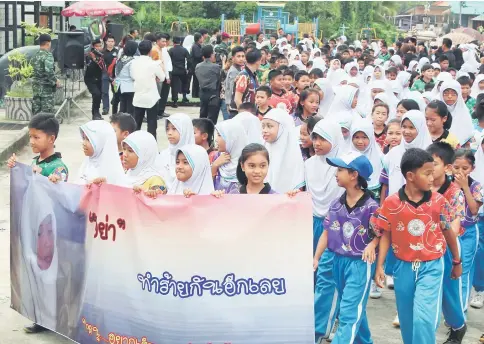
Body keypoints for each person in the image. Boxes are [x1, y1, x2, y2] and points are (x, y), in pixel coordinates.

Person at [373, 148, 462, 344]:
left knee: (423, 320)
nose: (432, 178)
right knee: (407, 321)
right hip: (402, 266)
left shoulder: (439, 202)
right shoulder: (391, 203)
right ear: (410, 176)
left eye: (433, 172)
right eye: (427, 173)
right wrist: (380, 265)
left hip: (431, 266)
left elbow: (448, 232)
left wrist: (456, 261)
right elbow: (386, 233)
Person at [314, 151, 379, 344]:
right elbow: (326, 232)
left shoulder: (371, 207)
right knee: (350, 304)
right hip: (336, 260)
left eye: (340, 170)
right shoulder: (336, 204)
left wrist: (373, 245)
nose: (336, 173)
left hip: (359, 263)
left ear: (354, 175)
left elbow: (381, 234)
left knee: (349, 313)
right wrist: (316, 257)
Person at [425, 142, 468, 343]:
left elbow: (455, 226)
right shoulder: (420, 185)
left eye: (434, 163)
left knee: (449, 295)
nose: (429, 168)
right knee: (427, 293)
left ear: (448, 167)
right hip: (423, 246)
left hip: (448, 246)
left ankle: (458, 326)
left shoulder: (454, 192)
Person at [309, 119, 346, 341]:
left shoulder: (343, 165)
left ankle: (319, 330)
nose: (317, 143)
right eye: (315, 137)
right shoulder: (309, 164)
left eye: (323, 138)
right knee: (311, 276)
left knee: (327, 279)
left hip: (336, 225)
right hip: (310, 222)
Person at [453, 149, 484, 313]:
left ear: (472, 168)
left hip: (469, 233)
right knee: (449, 269)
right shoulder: (445, 184)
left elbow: (473, 210)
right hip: (449, 233)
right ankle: (450, 307)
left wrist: (464, 187)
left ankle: (460, 310)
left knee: (464, 271)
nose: (460, 172)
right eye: (456, 167)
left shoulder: (476, 186)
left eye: (464, 168)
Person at [7, 113, 68, 183]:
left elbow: (59, 191)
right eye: (30, 136)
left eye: (36, 137)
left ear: (51, 139)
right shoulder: (36, 162)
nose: (31, 141)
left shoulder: (59, 169)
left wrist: (43, 177)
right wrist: (18, 167)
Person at [261, 108, 305, 193]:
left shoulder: (293, 155)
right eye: (263, 126)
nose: (264, 130)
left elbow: (297, 188)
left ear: (282, 128)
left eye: (269, 126)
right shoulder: (261, 150)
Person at [130, 40, 165, 139]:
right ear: (150, 51)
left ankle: (134, 145)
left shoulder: (134, 62)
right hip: (151, 97)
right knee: (152, 124)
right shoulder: (153, 64)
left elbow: (133, 76)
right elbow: (162, 78)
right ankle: (152, 146)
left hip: (138, 96)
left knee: (136, 124)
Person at [77, 120, 125, 185]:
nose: (84, 143)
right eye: (84, 138)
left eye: (88, 140)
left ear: (100, 143)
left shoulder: (113, 172)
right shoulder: (87, 163)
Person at [156, 113, 195, 189]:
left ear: (185, 130)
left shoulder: (195, 156)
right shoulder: (163, 155)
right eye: (167, 129)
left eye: (174, 129)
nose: (169, 133)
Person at [212, 120, 248, 193]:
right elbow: (207, 185)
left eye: (219, 135)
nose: (216, 140)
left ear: (232, 138)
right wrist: (214, 166)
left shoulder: (247, 160)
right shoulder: (218, 157)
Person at [31, 34, 59, 115]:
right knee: (47, 114)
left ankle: (36, 127)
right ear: (48, 43)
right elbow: (49, 71)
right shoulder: (48, 55)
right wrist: (55, 80)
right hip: (46, 91)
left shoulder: (35, 55)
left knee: (36, 114)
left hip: (36, 89)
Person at [440, 80, 474, 147]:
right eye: (446, 93)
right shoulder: (437, 111)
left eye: (453, 94)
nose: (449, 96)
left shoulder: (464, 112)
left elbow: (468, 133)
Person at [230, 49, 262, 117]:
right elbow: (237, 99)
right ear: (258, 61)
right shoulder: (244, 76)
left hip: (250, 113)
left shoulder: (253, 75)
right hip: (240, 114)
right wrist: (243, 116)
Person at [195, 45, 221, 124]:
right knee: (212, 117)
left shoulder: (198, 66)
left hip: (202, 93)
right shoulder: (216, 67)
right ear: (211, 54)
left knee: (203, 114)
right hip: (213, 93)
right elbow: (219, 78)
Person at [84, 38, 106, 120]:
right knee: (96, 94)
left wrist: (96, 59)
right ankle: (95, 113)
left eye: (100, 46)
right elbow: (88, 65)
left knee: (98, 95)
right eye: (97, 46)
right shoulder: (89, 55)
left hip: (99, 78)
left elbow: (103, 67)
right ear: (93, 46)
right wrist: (92, 59)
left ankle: (96, 113)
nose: (99, 48)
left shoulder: (101, 55)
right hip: (90, 79)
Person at [115, 40, 138, 116]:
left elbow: (116, 72)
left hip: (119, 86)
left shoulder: (120, 58)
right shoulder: (132, 61)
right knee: (130, 109)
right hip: (130, 87)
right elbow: (133, 75)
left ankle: (120, 124)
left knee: (122, 107)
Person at [225, 46, 246, 118]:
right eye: (238, 56)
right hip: (234, 106)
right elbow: (230, 89)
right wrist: (228, 104)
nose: (241, 59)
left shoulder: (240, 69)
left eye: (243, 56)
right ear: (233, 58)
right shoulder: (234, 71)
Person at [169, 36, 190, 106]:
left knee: (174, 86)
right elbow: (189, 60)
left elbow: (168, 61)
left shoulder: (171, 50)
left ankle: (175, 101)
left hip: (174, 70)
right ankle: (184, 97)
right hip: (182, 70)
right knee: (185, 83)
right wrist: (188, 69)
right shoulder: (184, 50)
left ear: (173, 42)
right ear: (180, 42)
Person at [102, 35, 119, 115]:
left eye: (112, 41)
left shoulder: (118, 52)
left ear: (114, 42)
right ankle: (106, 108)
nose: (110, 43)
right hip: (104, 74)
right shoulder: (102, 52)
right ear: (106, 42)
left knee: (116, 91)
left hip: (115, 75)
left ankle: (114, 103)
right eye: (109, 41)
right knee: (104, 92)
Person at [190, 33, 204, 99]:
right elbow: (197, 55)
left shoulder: (198, 45)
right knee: (196, 81)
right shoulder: (195, 46)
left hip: (197, 66)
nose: (202, 39)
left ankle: (196, 93)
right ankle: (195, 94)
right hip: (195, 66)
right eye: (201, 38)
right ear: (199, 39)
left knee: (197, 80)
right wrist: (202, 55)